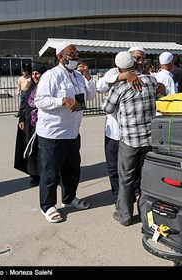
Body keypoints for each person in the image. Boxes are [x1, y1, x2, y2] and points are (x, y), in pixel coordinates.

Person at [34, 42, 96, 223]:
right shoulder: (50, 76)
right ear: (61, 57)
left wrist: (88, 76)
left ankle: (69, 198)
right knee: (51, 171)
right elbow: (40, 101)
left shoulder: (78, 76)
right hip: (53, 134)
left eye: (77, 54)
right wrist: (62, 101)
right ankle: (47, 206)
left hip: (72, 132)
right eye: (71, 54)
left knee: (72, 169)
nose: (75, 57)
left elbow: (90, 96)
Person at [102, 52, 157, 227]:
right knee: (145, 179)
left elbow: (107, 108)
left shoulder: (120, 88)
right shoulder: (151, 81)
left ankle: (125, 216)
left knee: (126, 179)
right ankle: (145, 215)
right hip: (149, 140)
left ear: (119, 69)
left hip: (129, 141)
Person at [96, 46, 148, 216]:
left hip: (131, 137)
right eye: (137, 58)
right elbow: (100, 85)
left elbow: (107, 107)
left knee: (131, 175)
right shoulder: (114, 74)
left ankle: (126, 209)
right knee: (115, 170)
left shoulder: (146, 78)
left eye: (142, 58)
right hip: (115, 133)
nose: (140, 61)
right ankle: (120, 201)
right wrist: (120, 77)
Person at [14, 64, 47, 187]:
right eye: (33, 73)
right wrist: (21, 120)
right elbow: (24, 106)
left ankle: (47, 174)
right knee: (31, 149)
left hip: (44, 124)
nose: (35, 76)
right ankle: (34, 175)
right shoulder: (30, 89)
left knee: (44, 149)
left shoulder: (48, 87)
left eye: (37, 73)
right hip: (30, 124)